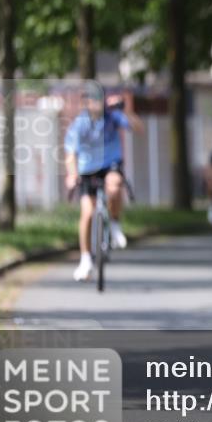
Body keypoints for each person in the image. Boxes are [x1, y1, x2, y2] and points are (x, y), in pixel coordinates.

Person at [64, 85, 143, 282]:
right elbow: (70, 154)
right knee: (87, 213)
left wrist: (125, 109)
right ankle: (85, 259)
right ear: (86, 103)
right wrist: (72, 175)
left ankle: (115, 224)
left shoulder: (113, 116)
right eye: (93, 100)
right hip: (87, 169)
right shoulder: (79, 124)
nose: (98, 104)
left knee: (114, 187)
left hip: (110, 164)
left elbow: (138, 128)